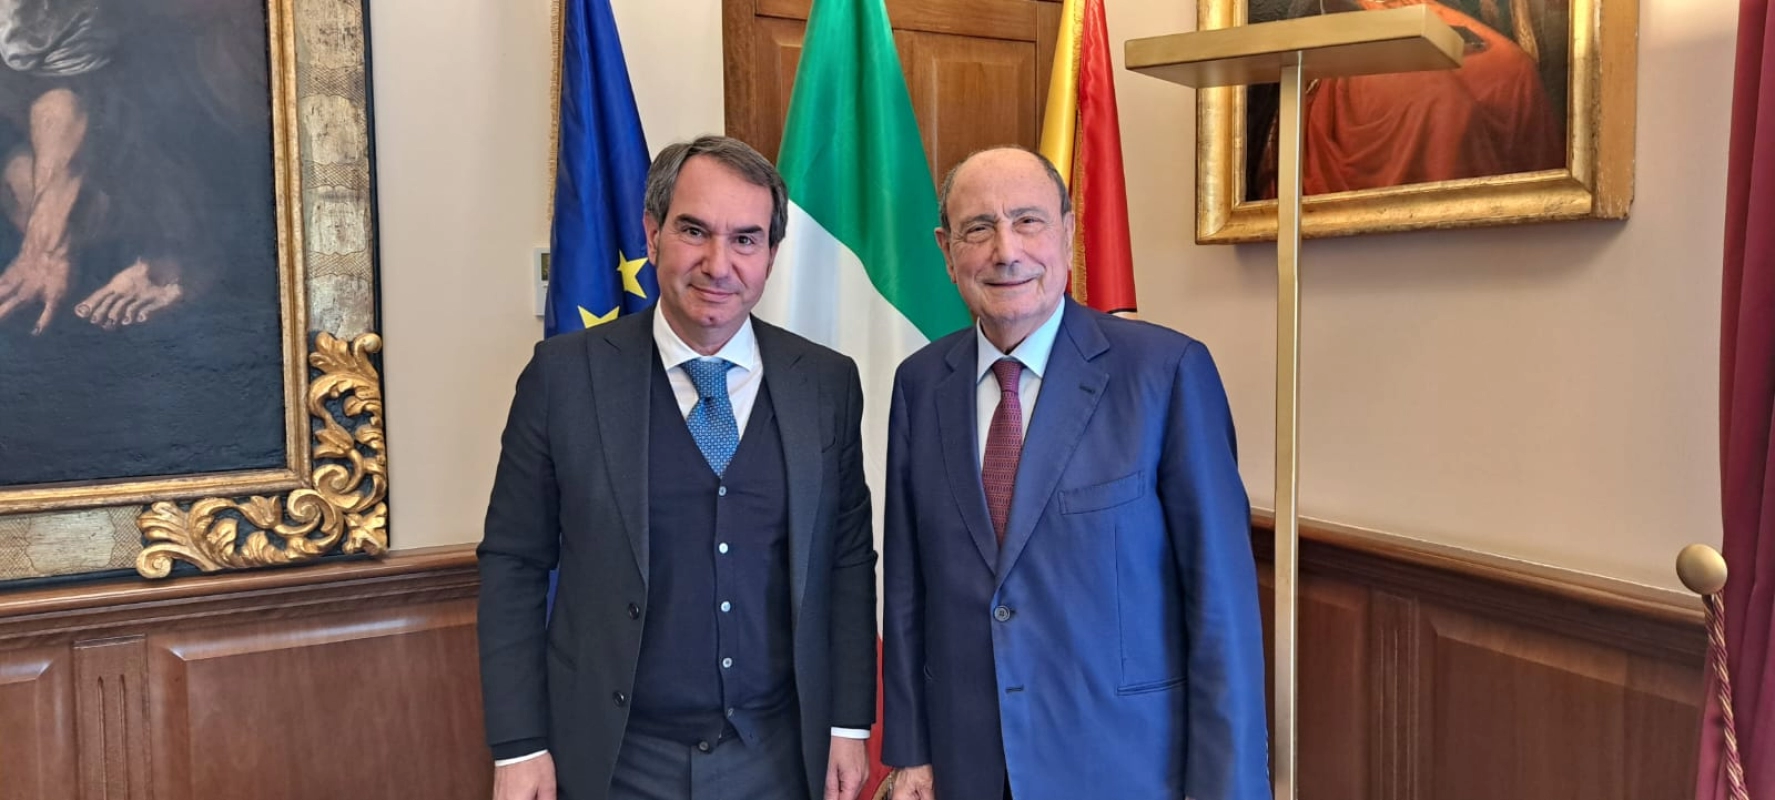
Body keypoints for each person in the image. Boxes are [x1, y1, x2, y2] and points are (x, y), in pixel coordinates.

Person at [477, 135, 877, 800]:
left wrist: (848, 722)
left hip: (780, 755)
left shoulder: (826, 384)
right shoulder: (563, 378)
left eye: (745, 239)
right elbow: (514, 561)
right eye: (695, 231)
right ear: (652, 232)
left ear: (771, 254)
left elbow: (846, 560)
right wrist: (520, 744)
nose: (719, 264)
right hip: (617, 758)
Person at [881, 147, 1269, 800]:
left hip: (1124, 767)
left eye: (1027, 221)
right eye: (978, 228)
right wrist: (911, 751)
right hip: (967, 765)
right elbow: (908, 586)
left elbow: (1220, 607)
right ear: (947, 252)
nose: (1006, 251)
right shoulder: (920, 384)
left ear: (1067, 232)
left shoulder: (1165, 373)